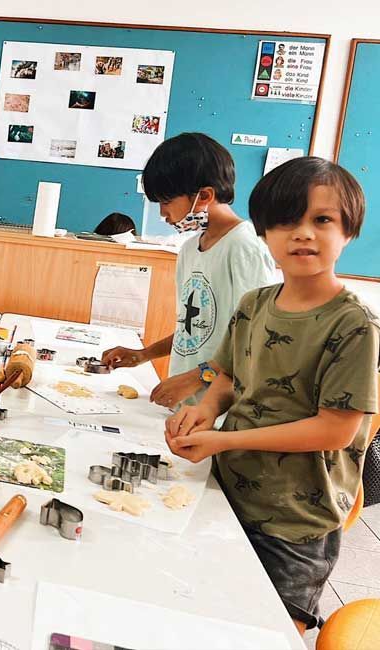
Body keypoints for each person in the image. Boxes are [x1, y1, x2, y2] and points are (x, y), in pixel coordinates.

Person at [165, 157, 379, 634]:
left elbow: (336, 429)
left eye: (322, 220)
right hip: (230, 491)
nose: (303, 233)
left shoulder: (353, 324)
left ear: (350, 231)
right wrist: (203, 412)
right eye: (286, 221)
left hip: (295, 520)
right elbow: (227, 376)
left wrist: (222, 441)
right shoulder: (254, 304)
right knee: (205, 616)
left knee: (268, 631)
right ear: (264, 234)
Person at [101, 133, 277, 407]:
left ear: (204, 195)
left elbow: (255, 337)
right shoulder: (190, 248)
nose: (163, 214)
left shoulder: (244, 246)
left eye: (167, 202)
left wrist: (198, 378)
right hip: (184, 407)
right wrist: (143, 354)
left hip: (221, 415)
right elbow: (192, 330)